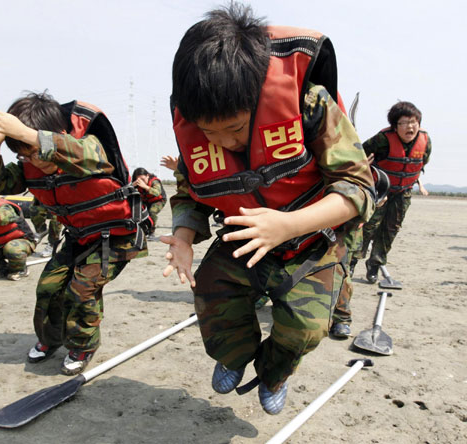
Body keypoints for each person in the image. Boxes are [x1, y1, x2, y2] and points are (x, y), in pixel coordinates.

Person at [162, 3, 375, 415]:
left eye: (235, 128)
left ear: (256, 92)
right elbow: (190, 192)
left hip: (312, 237)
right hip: (244, 237)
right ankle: (234, 354)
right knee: (211, 297)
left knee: (306, 330)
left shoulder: (309, 103)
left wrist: (288, 224)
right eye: (210, 132)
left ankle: (274, 374)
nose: (224, 142)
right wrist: (184, 237)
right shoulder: (196, 120)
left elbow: (358, 187)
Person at [0, 92, 150, 375]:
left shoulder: (87, 145)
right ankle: (51, 339)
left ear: (54, 133)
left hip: (117, 235)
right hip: (78, 236)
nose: (35, 159)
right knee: (48, 287)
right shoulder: (30, 162)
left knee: (82, 289)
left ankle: (84, 345)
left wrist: (27, 134)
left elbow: (88, 156)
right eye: (25, 154)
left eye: (35, 149)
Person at [352, 101, 432, 283]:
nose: (410, 127)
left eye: (413, 122)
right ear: (395, 127)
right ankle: (351, 262)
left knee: (390, 230)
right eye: (404, 123)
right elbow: (360, 155)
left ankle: (375, 264)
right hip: (379, 191)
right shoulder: (382, 139)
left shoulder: (426, 142)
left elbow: (422, 163)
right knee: (367, 227)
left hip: (402, 193)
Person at [132, 167, 167, 238]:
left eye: (143, 179)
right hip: (146, 201)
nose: (141, 181)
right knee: (137, 212)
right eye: (139, 180)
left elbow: (157, 192)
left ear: (147, 176)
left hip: (158, 200)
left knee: (152, 212)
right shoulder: (136, 183)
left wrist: (145, 187)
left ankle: (152, 232)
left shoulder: (154, 181)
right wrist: (132, 186)